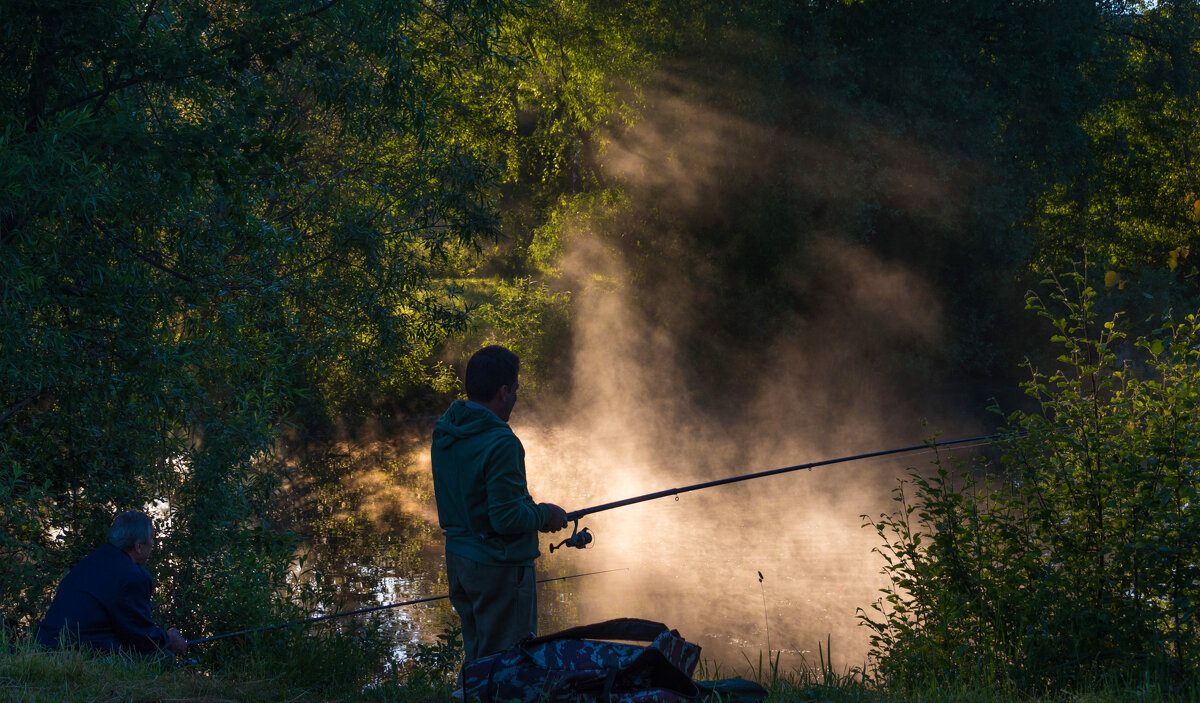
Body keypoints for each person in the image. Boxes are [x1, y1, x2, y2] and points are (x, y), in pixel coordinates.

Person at [431, 345, 569, 664]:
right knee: (509, 663)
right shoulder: (501, 442)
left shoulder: (446, 431)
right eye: (516, 388)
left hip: (460, 560)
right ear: (504, 391)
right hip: (498, 569)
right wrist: (545, 514)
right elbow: (506, 518)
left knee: (478, 656)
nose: (516, 397)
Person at [35, 511, 188, 657]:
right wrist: (168, 639)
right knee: (164, 658)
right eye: (152, 539)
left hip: (45, 643)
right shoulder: (133, 576)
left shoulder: (89, 562)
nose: (153, 544)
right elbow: (140, 636)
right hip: (81, 652)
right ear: (139, 546)